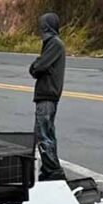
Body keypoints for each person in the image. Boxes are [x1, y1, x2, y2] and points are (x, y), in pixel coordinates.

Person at [29, 12, 66, 181]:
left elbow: (39, 67)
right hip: (46, 95)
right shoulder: (51, 44)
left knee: (44, 133)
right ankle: (49, 168)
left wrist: (35, 66)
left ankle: (53, 170)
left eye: (43, 25)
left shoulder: (54, 44)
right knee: (44, 132)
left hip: (47, 95)